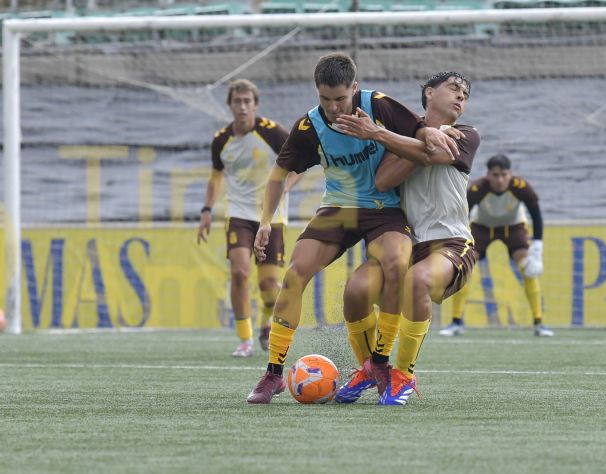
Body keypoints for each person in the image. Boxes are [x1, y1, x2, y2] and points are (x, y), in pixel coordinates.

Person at [246, 53, 458, 404]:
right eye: (325, 99)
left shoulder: (378, 105)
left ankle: (379, 363)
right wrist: (266, 221)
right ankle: (273, 374)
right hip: (339, 209)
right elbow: (278, 174)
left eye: (340, 99)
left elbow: (418, 131)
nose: (332, 107)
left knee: (395, 265)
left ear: (354, 89)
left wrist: (431, 134)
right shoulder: (309, 126)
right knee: (296, 273)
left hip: (384, 209)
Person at [334, 71, 480, 405]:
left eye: (466, 94)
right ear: (429, 93)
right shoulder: (401, 133)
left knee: (417, 281)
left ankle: (404, 375)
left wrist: (384, 135)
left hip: (452, 244)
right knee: (356, 289)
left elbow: (438, 155)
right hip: (407, 245)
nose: (462, 96)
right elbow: (384, 180)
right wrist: (423, 139)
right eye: (455, 88)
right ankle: (370, 369)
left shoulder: (468, 134)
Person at [197, 79, 299, 357]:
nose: (242, 107)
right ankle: (245, 339)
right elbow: (216, 176)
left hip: (272, 215)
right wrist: (206, 210)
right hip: (239, 213)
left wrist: (286, 186)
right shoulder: (221, 140)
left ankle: (267, 322)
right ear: (229, 105)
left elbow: (301, 160)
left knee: (268, 284)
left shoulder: (273, 132)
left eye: (247, 101)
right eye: (237, 101)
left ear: (255, 104)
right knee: (240, 273)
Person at [442, 154, 554, 337]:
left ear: (510, 173)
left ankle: (539, 323)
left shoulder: (521, 187)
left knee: (528, 269)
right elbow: (462, 216)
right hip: (481, 227)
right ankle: (456, 322)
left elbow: (536, 215)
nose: (500, 180)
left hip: (513, 226)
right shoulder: (478, 188)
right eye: (495, 175)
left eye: (504, 174)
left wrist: (537, 248)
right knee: (464, 268)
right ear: (488, 175)